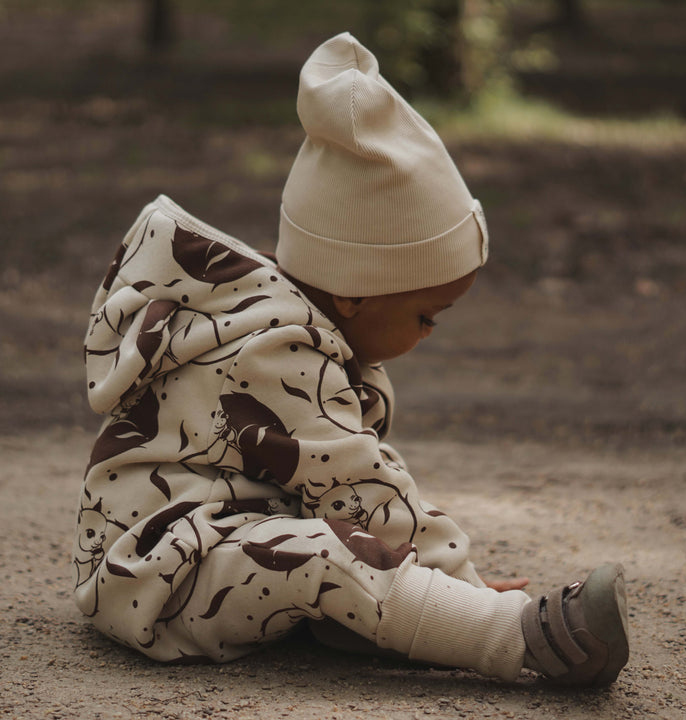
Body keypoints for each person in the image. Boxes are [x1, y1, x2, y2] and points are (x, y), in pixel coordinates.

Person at [74, 32, 629, 686]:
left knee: (331, 547)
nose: (429, 335)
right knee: (325, 550)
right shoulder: (275, 348)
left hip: (209, 543)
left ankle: (373, 620)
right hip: (160, 577)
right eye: (425, 315)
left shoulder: (282, 324)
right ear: (356, 289)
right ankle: (512, 639)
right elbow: (361, 486)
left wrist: (420, 569)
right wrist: (467, 587)